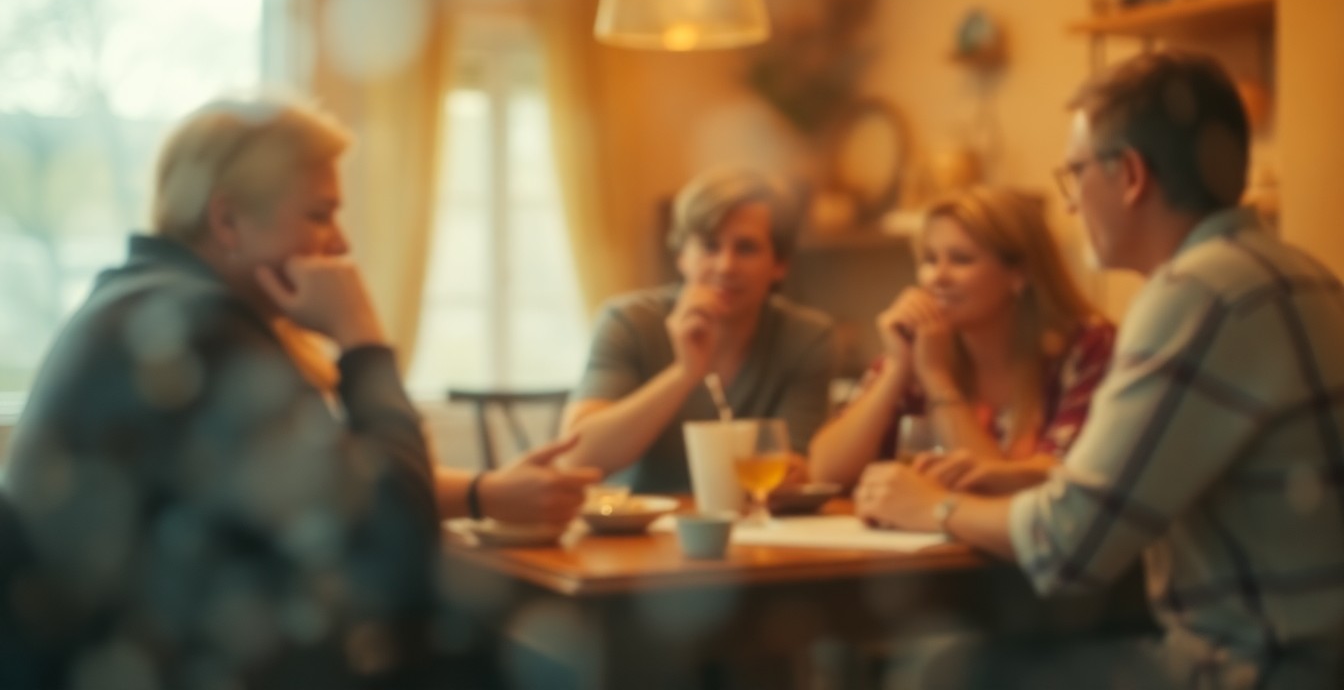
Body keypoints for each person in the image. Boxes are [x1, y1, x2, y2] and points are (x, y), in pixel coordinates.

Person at [0, 94, 588, 689]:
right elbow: (397, 551)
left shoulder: (147, 299)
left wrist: (486, 492)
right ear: (227, 221)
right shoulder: (199, 328)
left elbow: (329, 487)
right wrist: (363, 342)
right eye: (319, 214)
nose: (339, 243)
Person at [856, 51, 1344, 689]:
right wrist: (1024, 477)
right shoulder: (1299, 273)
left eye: (1076, 173)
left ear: (1131, 175)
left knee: (945, 670)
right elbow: (1146, 485)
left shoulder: (1194, 295)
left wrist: (936, 507)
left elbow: (1070, 547)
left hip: (1254, 667)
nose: (1069, 205)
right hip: (1315, 651)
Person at [809, 185, 1114, 495]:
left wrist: (936, 376)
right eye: (929, 260)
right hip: (926, 540)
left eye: (961, 259)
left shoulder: (1087, 348)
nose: (937, 277)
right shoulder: (918, 345)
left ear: (1019, 273)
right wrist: (896, 369)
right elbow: (825, 472)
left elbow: (1030, 496)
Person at [558, 165, 836, 493]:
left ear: (779, 265)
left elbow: (794, 464)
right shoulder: (629, 322)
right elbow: (576, 457)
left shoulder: (807, 338)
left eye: (745, 248)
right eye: (709, 246)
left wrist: (795, 472)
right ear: (681, 256)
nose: (725, 266)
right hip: (632, 529)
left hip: (750, 532)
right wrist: (684, 373)